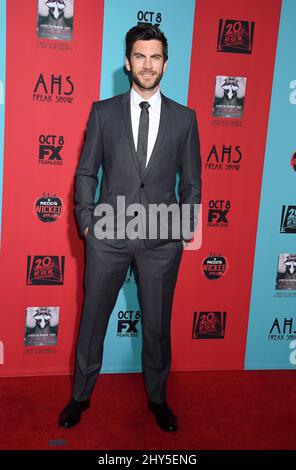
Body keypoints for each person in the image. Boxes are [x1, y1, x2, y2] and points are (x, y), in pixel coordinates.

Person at [58, 24, 201, 432]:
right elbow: (87, 172)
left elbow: (192, 183)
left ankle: (158, 398)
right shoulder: (103, 112)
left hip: (161, 241)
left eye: (155, 57)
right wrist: (87, 223)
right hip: (107, 235)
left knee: (157, 326)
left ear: (166, 64)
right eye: (140, 56)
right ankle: (80, 397)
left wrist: (184, 229)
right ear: (127, 62)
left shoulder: (185, 119)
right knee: (93, 321)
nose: (148, 64)